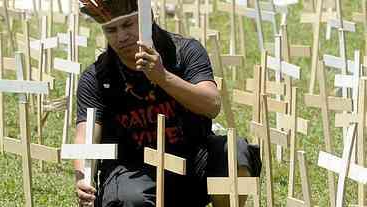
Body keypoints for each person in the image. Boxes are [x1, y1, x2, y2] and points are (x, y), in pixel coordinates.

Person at [75, 0, 261, 207]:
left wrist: (163, 77)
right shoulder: (96, 77)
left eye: (128, 25)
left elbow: (212, 104)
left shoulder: (184, 51)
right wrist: (82, 177)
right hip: (132, 169)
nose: (121, 36)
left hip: (192, 160)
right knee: (129, 200)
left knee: (235, 152)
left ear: (148, 19)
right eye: (111, 30)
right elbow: (86, 134)